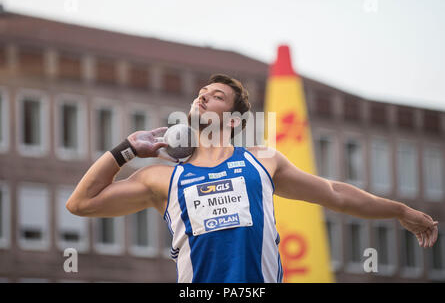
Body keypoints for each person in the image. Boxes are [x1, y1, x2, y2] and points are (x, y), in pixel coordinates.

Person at [66, 74, 439, 283]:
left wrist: (400, 210)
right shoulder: (162, 179)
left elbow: (334, 193)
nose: (201, 100)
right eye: (200, 95)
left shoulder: (263, 161)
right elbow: (80, 204)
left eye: (214, 97)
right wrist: (126, 149)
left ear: (232, 120)